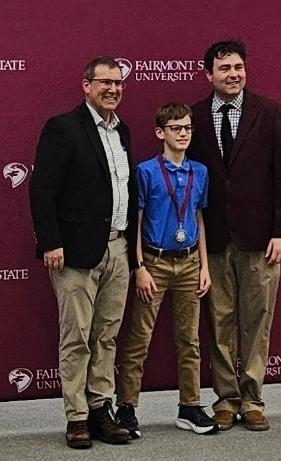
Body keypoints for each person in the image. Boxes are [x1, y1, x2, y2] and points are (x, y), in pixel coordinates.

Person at [187, 40, 281, 431]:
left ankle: (252, 399)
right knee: (219, 322)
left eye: (238, 67)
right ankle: (226, 398)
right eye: (223, 68)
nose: (232, 74)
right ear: (208, 75)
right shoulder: (195, 117)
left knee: (257, 320)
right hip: (213, 240)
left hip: (261, 240)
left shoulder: (269, 113)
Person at [29, 56, 137, 449]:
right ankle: (76, 417)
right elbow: (42, 189)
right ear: (86, 86)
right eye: (105, 82)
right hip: (74, 251)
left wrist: (130, 252)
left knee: (106, 337)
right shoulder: (63, 128)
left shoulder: (122, 130)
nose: (113, 89)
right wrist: (50, 241)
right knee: (77, 337)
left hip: (118, 248)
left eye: (119, 82)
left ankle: (99, 411)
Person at [114, 102, 218, 437]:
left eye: (187, 128)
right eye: (175, 128)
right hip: (155, 264)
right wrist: (140, 266)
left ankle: (189, 406)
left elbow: (199, 217)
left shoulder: (199, 172)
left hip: (189, 262)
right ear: (161, 133)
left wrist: (204, 265)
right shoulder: (146, 172)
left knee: (190, 340)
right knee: (139, 339)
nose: (183, 133)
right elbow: (138, 220)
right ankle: (127, 407)